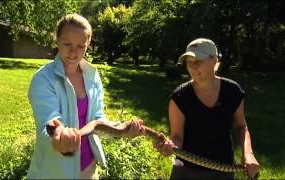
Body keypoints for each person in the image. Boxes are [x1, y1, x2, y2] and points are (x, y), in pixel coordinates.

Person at [26, 13, 145, 179]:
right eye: (67, 44)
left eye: (81, 46)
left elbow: (97, 120)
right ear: (57, 40)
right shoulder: (44, 79)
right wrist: (58, 137)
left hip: (89, 170)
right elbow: (47, 124)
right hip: (55, 172)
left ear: (88, 45)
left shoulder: (92, 76)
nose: (73, 52)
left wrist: (122, 129)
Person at [154, 38, 260, 179]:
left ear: (214, 61)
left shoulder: (232, 91)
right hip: (186, 170)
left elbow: (241, 127)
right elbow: (177, 136)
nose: (192, 67)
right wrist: (170, 146)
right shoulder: (179, 96)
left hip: (223, 169)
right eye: (189, 62)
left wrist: (248, 154)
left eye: (198, 61)